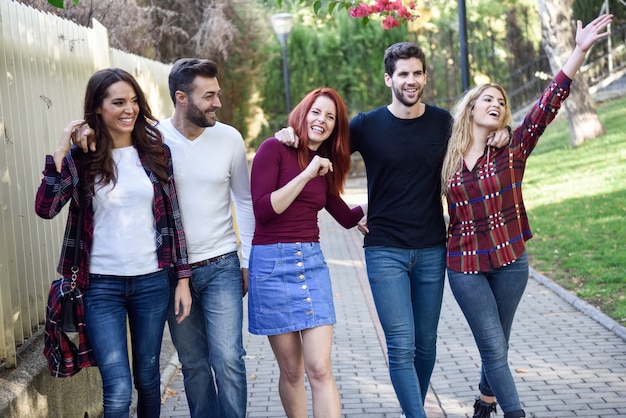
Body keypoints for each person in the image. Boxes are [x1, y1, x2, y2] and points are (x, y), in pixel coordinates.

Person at [276, 43, 510, 418]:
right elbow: (321, 153)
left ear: (424, 76)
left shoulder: (442, 123)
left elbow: (479, 137)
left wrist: (504, 133)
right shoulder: (367, 125)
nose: (411, 80)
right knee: (401, 345)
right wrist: (289, 135)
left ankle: (409, 409)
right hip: (384, 250)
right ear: (389, 79)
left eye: (417, 73)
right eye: (403, 74)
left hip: (434, 247)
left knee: (426, 344)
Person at [440, 14, 613, 418]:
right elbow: (408, 182)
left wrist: (580, 49)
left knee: (498, 342)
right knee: (492, 345)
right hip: (464, 265)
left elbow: (549, 101)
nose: (497, 104)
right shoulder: (444, 157)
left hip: (510, 260)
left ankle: (485, 402)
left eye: (501, 102)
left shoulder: (512, 148)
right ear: (470, 108)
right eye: (489, 99)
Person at [73, 58, 253, 417]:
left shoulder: (229, 138)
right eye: (209, 95)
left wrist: (247, 260)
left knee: (229, 358)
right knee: (193, 362)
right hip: (170, 272)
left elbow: (244, 200)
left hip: (221, 264)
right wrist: (77, 136)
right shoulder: (152, 141)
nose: (218, 102)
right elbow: (111, 145)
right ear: (182, 97)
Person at [35, 68, 192, 417]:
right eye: (118, 102)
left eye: (133, 101)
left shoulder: (155, 152)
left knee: (148, 378)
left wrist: (182, 278)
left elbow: (173, 218)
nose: (129, 109)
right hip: (100, 286)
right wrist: (62, 148)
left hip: (152, 281)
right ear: (98, 108)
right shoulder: (81, 158)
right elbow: (46, 208)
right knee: (118, 387)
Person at [249, 87, 366, 418]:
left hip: (311, 266)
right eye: (317, 112)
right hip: (271, 268)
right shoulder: (274, 149)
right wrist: (307, 172)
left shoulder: (325, 165)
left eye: (331, 117)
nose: (322, 120)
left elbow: (344, 216)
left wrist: (379, 211)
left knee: (319, 368)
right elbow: (264, 211)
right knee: (292, 371)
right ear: (303, 112)